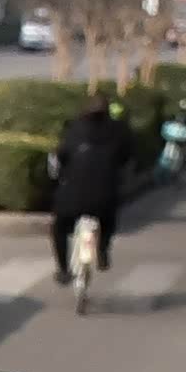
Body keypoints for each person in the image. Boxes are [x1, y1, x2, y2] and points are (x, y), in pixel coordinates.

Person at [51, 95, 129, 282]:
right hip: (104, 198)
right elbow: (126, 158)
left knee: (59, 228)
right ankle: (102, 250)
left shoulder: (73, 129)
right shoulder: (119, 131)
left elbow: (59, 157)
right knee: (109, 219)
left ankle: (63, 269)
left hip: (71, 199)